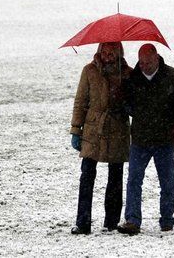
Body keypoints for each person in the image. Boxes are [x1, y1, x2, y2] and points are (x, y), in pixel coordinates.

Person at [117, 44, 174, 235]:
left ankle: (167, 220)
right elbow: (127, 105)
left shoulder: (173, 77)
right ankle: (132, 220)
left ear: (156, 58)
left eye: (148, 62)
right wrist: (124, 100)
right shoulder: (132, 79)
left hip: (164, 140)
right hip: (140, 140)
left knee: (167, 182)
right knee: (134, 180)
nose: (144, 66)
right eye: (141, 62)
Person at [69, 41, 131, 235]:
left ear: (119, 52)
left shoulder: (127, 73)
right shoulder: (88, 71)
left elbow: (133, 102)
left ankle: (111, 223)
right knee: (87, 175)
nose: (107, 55)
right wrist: (75, 129)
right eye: (104, 51)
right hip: (93, 129)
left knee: (115, 177)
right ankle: (83, 222)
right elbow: (81, 101)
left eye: (111, 52)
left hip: (118, 128)